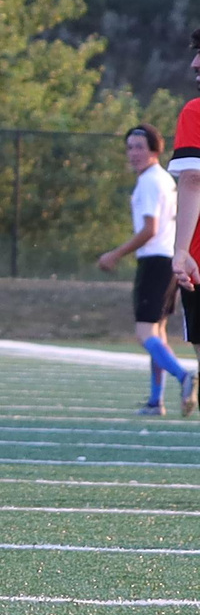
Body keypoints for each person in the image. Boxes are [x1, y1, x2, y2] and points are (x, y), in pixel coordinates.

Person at [99, 124, 192, 416]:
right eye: (130, 147)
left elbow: (150, 229)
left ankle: (184, 376)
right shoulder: (163, 178)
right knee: (157, 333)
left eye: (139, 147)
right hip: (169, 260)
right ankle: (155, 401)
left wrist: (115, 254)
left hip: (155, 261)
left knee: (144, 333)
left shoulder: (150, 181)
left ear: (155, 149)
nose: (133, 153)